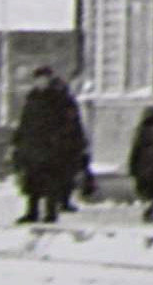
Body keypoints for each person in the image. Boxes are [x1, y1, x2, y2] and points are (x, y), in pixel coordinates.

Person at [9, 66, 88, 225]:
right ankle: (32, 211)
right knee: (32, 181)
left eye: (44, 78)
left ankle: (51, 212)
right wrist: (17, 141)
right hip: (33, 147)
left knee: (51, 181)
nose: (41, 82)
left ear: (49, 79)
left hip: (53, 148)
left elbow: (72, 123)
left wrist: (68, 142)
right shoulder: (32, 99)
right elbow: (25, 123)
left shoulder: (60, 99)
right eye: (38, 79)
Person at [48, 73, 92, 212]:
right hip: (61, 144)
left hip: (65, 145)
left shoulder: (66, 103)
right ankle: (60, 201)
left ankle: (60, 200)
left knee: (64, 175)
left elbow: (75, 124)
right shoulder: (65, 103)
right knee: (61, 175)